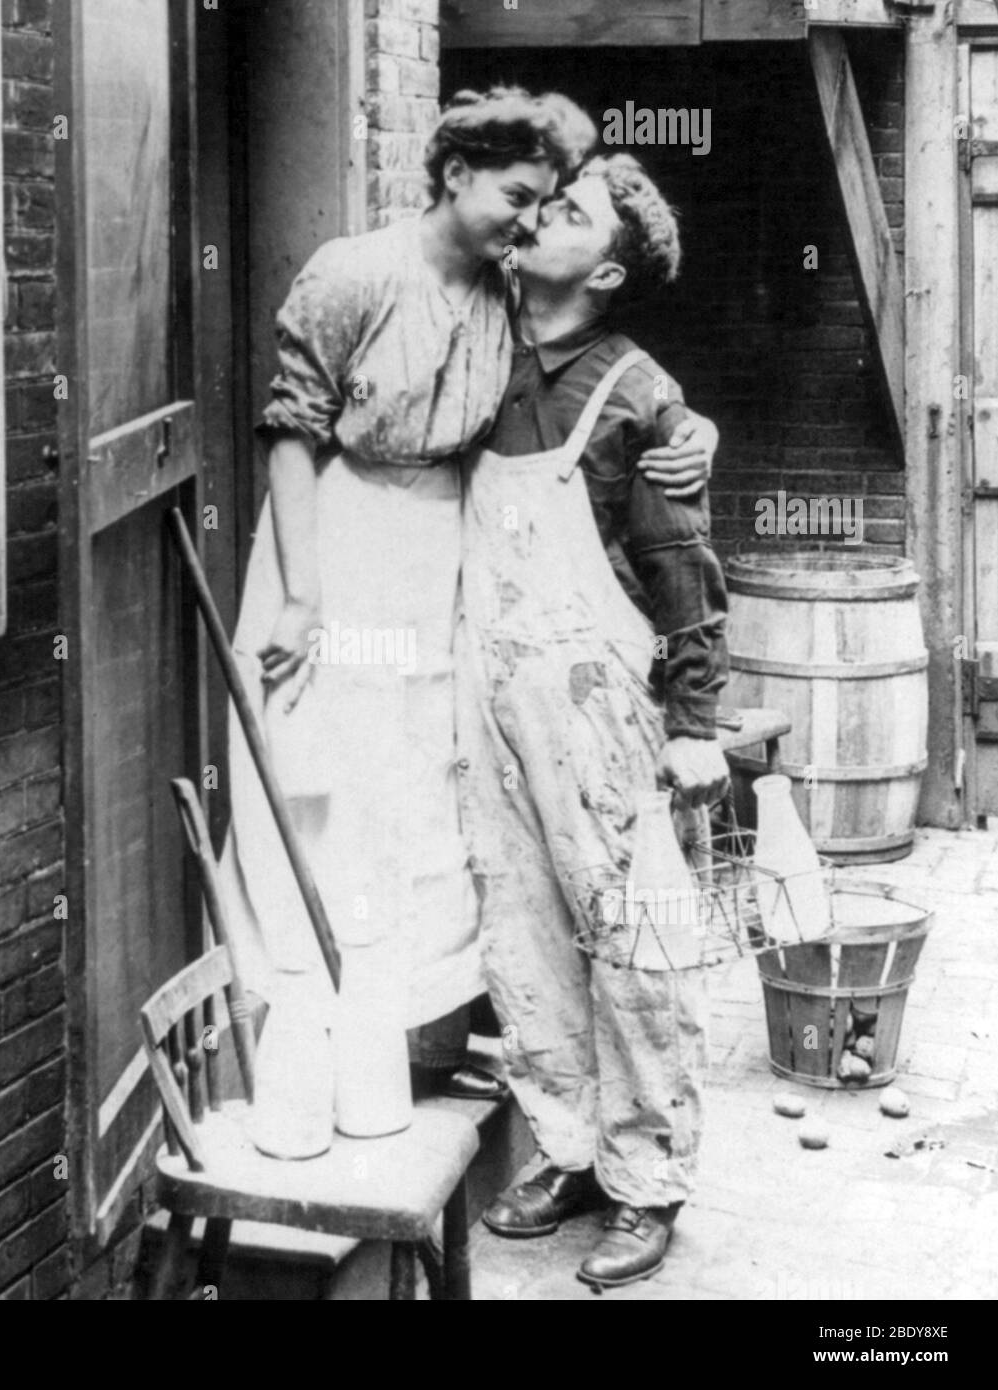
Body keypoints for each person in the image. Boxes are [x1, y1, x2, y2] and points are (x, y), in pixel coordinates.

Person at [219, 91, 716, 1100]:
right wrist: (303, 596)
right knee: (320, 789)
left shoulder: (504, 293)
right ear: (453, 174)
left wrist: (685, 423)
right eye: (518, 196)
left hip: (439, 562)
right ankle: (295, 1057)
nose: (529, 221)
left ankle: (396, 1049)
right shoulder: (352, 273)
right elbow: (291, 434)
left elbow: (602, 389)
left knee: (423, 797)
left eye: (546, 205)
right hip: (336, 541)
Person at [457, 153, 731, 1287]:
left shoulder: (640, 399)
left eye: (565, 212)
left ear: (606, 268)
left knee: (633, 946)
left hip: (601, 706)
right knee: (520, 933)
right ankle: (566, 1148)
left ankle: (647, 1178)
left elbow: (685, 570)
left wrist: (696, 721)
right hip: (489, 694)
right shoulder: (472, 344)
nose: (537, 217)